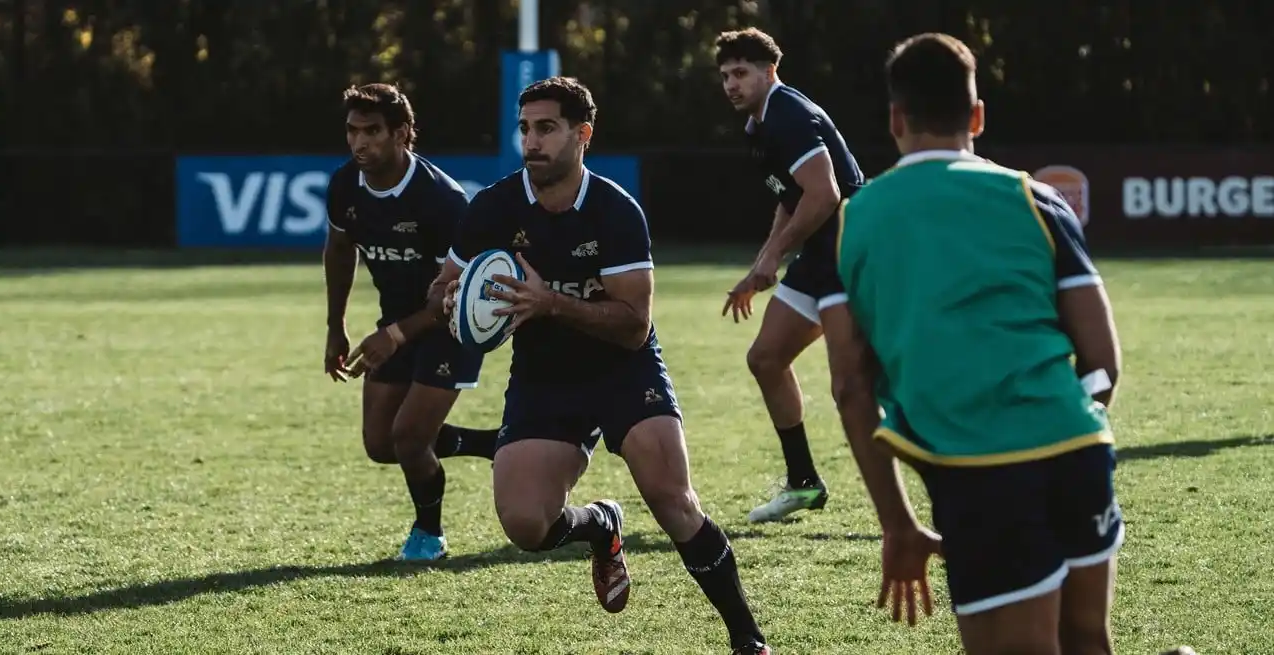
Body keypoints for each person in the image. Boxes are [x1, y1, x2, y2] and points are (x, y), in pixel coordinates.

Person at [430, 77, 772, 655]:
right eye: (524, 128)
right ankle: (599, 525)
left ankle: (748, 639)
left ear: (581, 135)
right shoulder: (494, 207)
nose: (531, 141)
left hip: (623, 369)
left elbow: (634, 323)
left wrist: (551, 303)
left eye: (546, 128)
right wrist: (450, 300)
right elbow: (444, 283)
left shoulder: (614, 210)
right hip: (544, 377)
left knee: (672, 499)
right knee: (525, 524)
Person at [828, 33, 1125, 654]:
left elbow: (852, 383)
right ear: (978, 116)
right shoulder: (1035, 197)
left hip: (978, 471)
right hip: (1078, 446)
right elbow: (1102, 360)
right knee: (1085, 641)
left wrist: (897, 522)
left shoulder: (855, 220)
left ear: (895, 120)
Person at [323, 83, 500, 563]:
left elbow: (458, 294)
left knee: (409, 438)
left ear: (401, 133)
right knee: (381, 444)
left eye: (372, 131)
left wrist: (395, 336)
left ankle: (429, 535)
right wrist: (334, 326)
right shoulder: (344, 185)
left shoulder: (441, 199)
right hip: (396, 322)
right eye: (352, 131)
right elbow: (340, 251)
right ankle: (493, 442)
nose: (360, 143)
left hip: (453, 325)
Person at [713, 28, 867, 523]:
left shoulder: (788, 116)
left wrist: (773, 255)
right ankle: (804, 483)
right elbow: (792, 198)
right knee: (765, 358)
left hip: (852, 254)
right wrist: (764, 263)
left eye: (741, 73)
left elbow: (824, 195)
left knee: (854, 388)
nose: (731, 84)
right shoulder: (759, 125)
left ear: (769, 72)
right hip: (821, 254)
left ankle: (952, 489)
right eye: (725, 76)